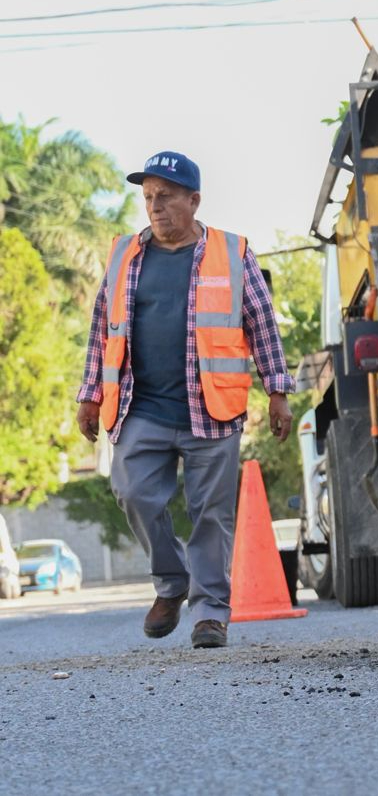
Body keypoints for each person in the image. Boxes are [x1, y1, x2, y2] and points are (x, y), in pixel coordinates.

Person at [75, 151, 294, 649]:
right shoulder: (124, 255)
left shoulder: (233, 253)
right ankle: (172, 582)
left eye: (167, 196)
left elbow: (261, 324)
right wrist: (89, 395)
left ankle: (211, 613)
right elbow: (100, 331)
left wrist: (278, 391)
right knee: (132, 491)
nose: (156, 206)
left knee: (211, 513)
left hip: (211, 409)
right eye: (149, 197)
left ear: (194, 200)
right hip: (140, 408)